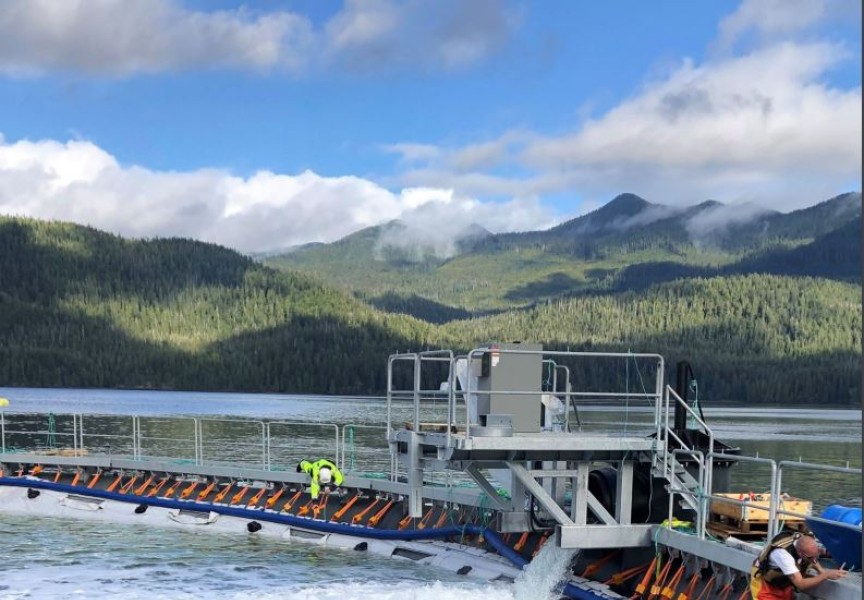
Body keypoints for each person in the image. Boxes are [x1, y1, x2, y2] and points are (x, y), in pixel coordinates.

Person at [750, 531, 847, 600]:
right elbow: (801, 584)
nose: (813, 560)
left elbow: (812, 558)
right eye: (809, 558)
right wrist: (826, 575)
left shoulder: (804, 539)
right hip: (765, 583)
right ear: (800, 553)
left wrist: (821, 571)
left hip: (783, 581)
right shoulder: (784, 555)